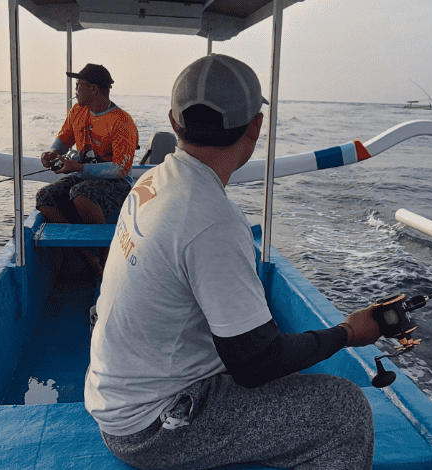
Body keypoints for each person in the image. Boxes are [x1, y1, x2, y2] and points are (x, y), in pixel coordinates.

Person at [85, 54, 382, 470]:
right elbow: (256, 364)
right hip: (148, 428)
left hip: (114, 396)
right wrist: (349, 332)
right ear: (255, 126)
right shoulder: (211, 218)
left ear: (173, 122)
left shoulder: (153, 179)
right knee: (344, 413)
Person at [36, 63, 139, 272]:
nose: (75, 90)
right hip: (84, 178)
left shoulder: (122, 122)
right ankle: (85, 253)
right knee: (44, 197)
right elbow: (64, 139)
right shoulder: (78, 111)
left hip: (116, 184)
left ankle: (106, 256)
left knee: (80, 194)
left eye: (79, 85)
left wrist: (78, 168)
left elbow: (121, 169)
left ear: (93, 88)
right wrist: (52, 154)